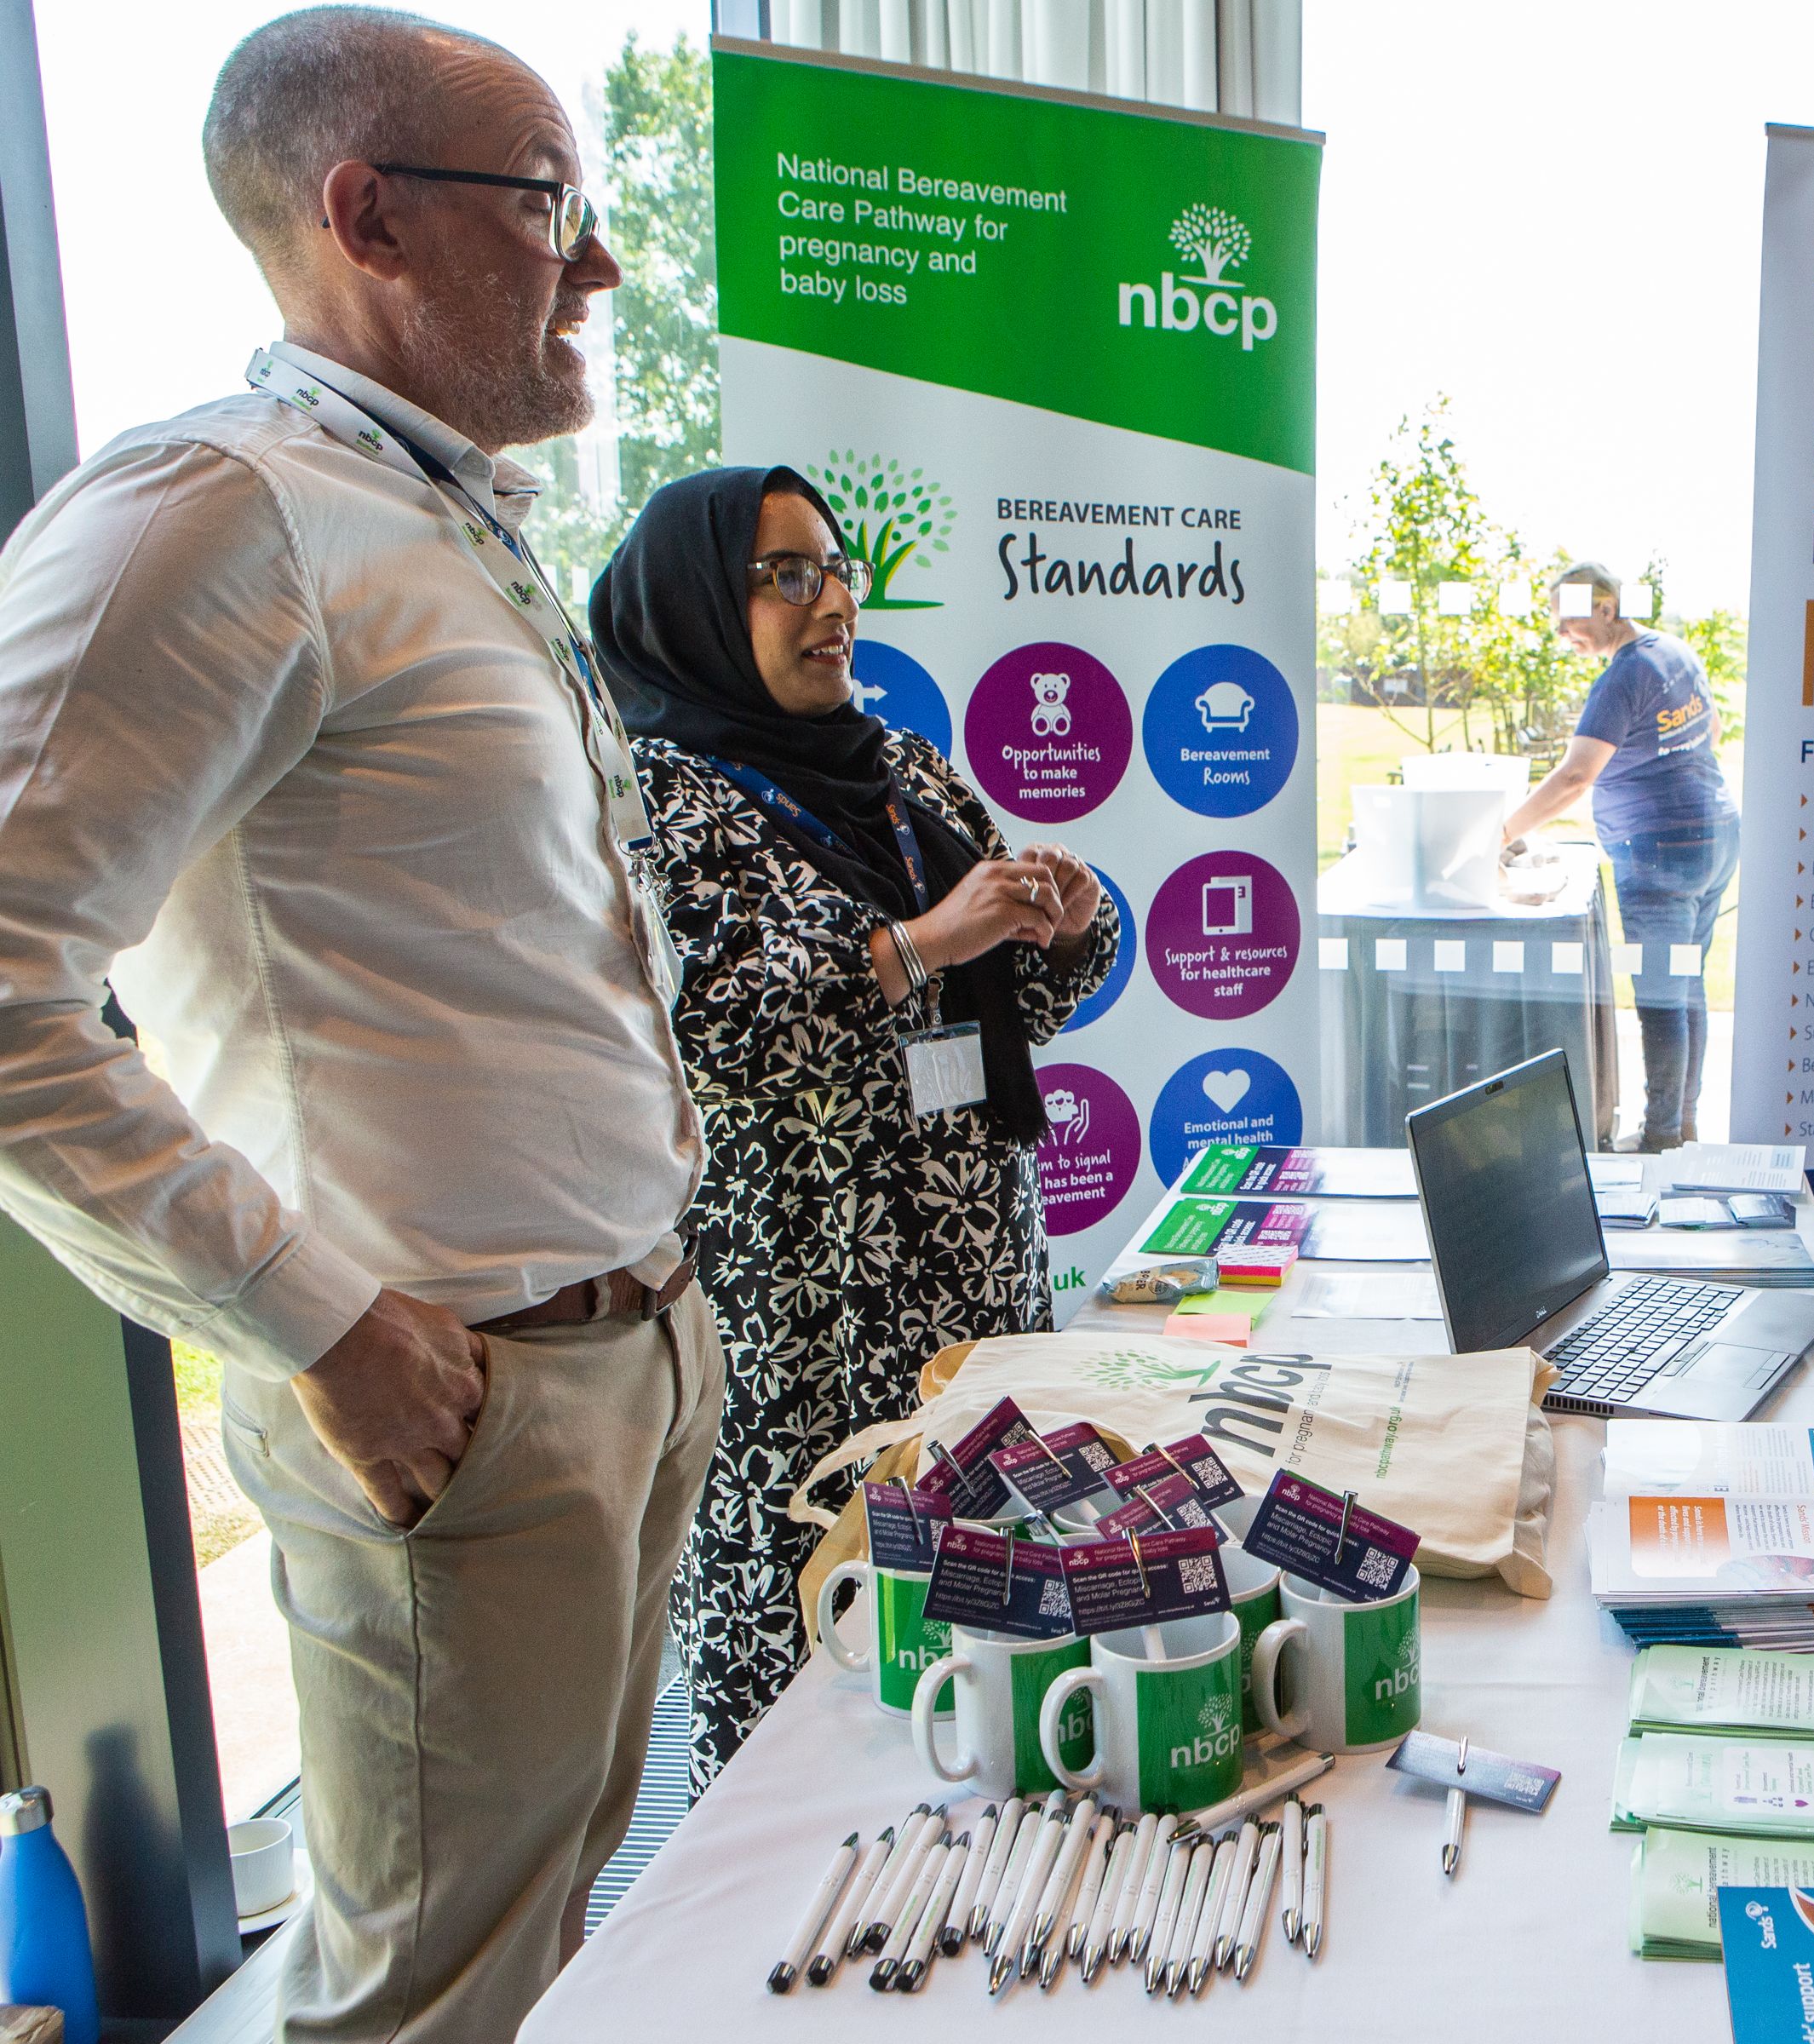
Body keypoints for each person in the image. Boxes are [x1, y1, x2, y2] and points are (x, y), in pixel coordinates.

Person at [0, 10, 719, 2037]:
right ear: (364, 215)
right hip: (450, 1393)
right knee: (429, 1988)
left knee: (546, 1926)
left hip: (620, 1353)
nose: (597, 267)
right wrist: (313, 1311)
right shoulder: (216, 514)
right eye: (552, 211)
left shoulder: (436, 519)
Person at [588, 467, 1119, 1787]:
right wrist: (917, 944)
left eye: (836, 570)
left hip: (972, 1284)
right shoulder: (651, 802)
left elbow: (1016, 997)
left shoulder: (900, 764)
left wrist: (1063, 915)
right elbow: (705, 1032)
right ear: (699, 607)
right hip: (805, 1312)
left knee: (986, 1643)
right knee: (807, 1670)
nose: (832, 604)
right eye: (786, 577)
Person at [1502, 565, 1740, 1149]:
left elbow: (1575, 776)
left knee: (1661, 1000)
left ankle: (1661, 1135)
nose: (1563, 636)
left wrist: (1500, 833)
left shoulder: (1623, 676)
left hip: (1661, 853)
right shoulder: (1675, 652)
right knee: (1686, 988)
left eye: (1570, 622)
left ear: (1606, 609)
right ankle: (1682, 1124)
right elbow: (1712, 730)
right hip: (1714, 834)